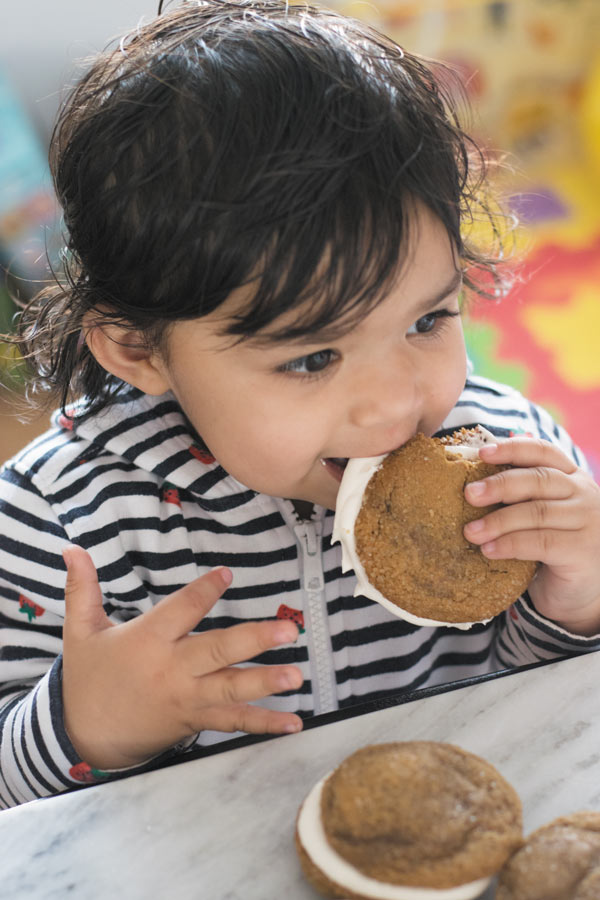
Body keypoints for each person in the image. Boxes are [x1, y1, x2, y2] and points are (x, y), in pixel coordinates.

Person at [1, 0, 599, 810]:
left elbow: (537, 710)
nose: (397, 404)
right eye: (314, 357)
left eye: (428, 320)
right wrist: (81, 726)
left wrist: (576, 601)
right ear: (139, 350)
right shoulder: (58, 530)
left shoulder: (513, 455)